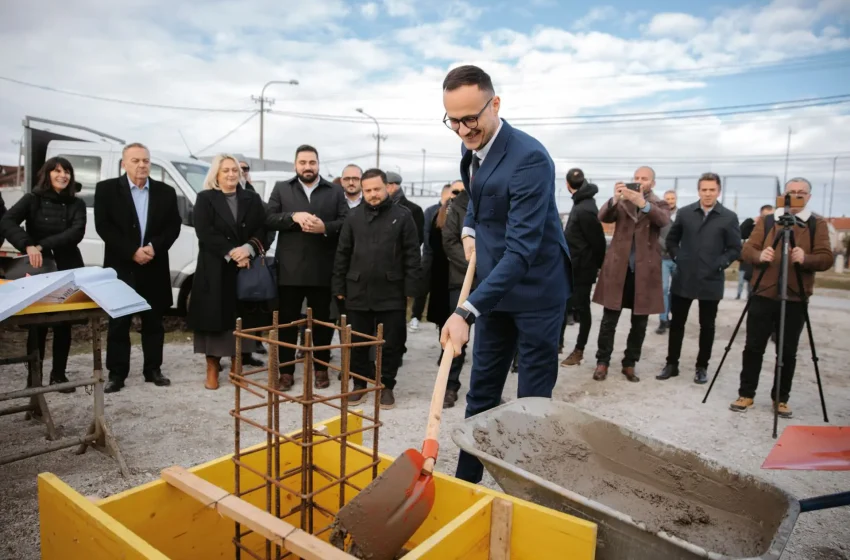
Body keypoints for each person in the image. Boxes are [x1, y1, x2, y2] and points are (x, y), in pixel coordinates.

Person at [438, 65, 571, 484]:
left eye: (470, 118)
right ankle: (467, 482)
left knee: (531, 402)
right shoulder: (471, 151)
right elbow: (478, 202)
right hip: (495, 290)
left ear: (494, 104)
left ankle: (527, 488)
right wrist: (469, 229)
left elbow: (522, 251)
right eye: (453, 121)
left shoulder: (530, 159)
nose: (463, 130)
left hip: (536, 292)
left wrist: (465, 311)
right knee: (481, 390)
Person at [730, 178, 833, 418]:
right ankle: (746, 393)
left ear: (809, 197)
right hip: (763, 293)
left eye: (801, 192)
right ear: (783, 195)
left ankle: (781, 398)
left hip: (795, 296)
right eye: (790, 192)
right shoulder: (768, 221)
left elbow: (826, 257)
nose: (795, 196)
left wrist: (806, 258)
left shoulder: (817, 224)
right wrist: (759, 255)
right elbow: (746, 249)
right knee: (753, 347)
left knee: (787, 351)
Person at [94, 143, 181, 393]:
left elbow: (173, 226)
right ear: (124, 164)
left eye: (145, 160)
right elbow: (104, 226)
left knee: (153, 322)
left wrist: (154, 247)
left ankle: (153, 369)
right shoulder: (107, 189)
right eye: (135, 160)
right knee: (119, 323)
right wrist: (132, 251)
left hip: (154, 266)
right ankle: (117, 374)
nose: (142, 165)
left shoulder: (165, 192)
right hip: (121, 267)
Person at [332, 169, 421, 409]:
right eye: (368, 190)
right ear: (363, 191)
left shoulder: (402, 216)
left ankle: (386, 386)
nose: (373, 194)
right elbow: (342, 253)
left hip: (392, 291)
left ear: (386, 188)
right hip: (357, 290)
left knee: (391, 343)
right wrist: (338, 285)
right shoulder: (353, 217)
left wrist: (411, 288)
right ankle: (359, 385)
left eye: (377, 189)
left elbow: (413, 254)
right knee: (357, 342)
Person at [266, 145, 348, 391]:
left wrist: (325, 228)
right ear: (295, 165)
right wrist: (292, 216)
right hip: (289, 270)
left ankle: (321, 369)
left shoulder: (334, 191)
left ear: (318, 164)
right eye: (303, 162)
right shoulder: (282, 188)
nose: (307, 167)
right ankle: (286, 372)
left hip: (323, 269)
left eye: (312, 162)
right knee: (287, 324)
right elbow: (268, 218)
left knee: (322, 324)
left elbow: (346, 222)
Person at [0, 157, 86, 392]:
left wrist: (42, 244)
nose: (63, 175)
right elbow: (7, 221)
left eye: (67, 171)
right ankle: (34, 378)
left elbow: (76, 232)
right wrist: (27, 245)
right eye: (57, 171)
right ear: (47, 174)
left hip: (67, 265)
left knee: (64, 323)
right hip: (38, 267)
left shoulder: (77, 204)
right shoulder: (32, 199)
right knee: (37, 324)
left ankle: (59, 375)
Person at [187, 155, 268, 390]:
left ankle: (237, 365)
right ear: (216, 174)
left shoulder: (252, 198)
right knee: (214, 318)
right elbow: (204, 231)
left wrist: (248, 250)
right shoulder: (205, 198)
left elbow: (262, 229)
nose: (231, 174)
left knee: (241, 319)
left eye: (235, 170)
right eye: (226, 171)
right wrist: (232, 252)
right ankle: (212, 367)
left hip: (244, 269)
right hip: (214, 268)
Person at [657, 173, 741, 384]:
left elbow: (734, 248)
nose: (708, 194)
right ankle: (672, 364)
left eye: (712, 190)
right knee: (677, 323)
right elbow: (672, 240)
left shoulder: (729, 217)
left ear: (718, 191)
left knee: (707, 326)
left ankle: (702, 367)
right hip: (684, 277)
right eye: (704, 190)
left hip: (711, 280)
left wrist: (719, 263)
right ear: (698, 191)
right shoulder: (685, 213)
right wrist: (679, 258)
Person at [592, 167, 670, 382]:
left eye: (644, 178)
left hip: (644, 272)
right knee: (609, 320)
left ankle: (629, 363)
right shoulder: (622, 201)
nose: (639, 181)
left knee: (640, 323)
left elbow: (663, 221)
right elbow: (603, 216)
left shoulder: (660, 204)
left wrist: (642, 203)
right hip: (619, 269)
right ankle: (602, 361)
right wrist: (615, 198)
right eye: (636, 178)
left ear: (652, 183)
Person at [560, 169, 606, 367]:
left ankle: (579, 350)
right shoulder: (581, 203)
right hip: (573, 267)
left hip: (582, 269)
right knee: (564, 306)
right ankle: (558, 344)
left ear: (567, 185)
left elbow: (598, 241)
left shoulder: (585, 208)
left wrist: (597, 266)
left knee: (582, 308)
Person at [385, 171, 426, 334]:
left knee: (395, 317)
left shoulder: (413, 210)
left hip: (399, 269)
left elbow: (417, 240)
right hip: (379, 270)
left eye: (385, 185)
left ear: (393, 186)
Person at [738, 205, 774, 300]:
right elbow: (740, 233)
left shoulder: (778, 228)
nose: (769, 219)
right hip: (755, 266)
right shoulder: (755, 227)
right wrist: (750, 220)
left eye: (771, 216)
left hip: (772, 268)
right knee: (753, 294)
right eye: (765, 216)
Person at [656, 190, 678, 334]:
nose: (670, 201)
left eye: (672, 198)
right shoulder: (659, 215)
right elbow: (655, 234)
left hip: (677, 259)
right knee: (663, 289)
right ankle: (663, 320)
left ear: (676, 199)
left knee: (675, 290)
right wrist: (669, 246)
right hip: (663, 258)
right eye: (667, 198)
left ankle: (673, 317)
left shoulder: (681, 215)